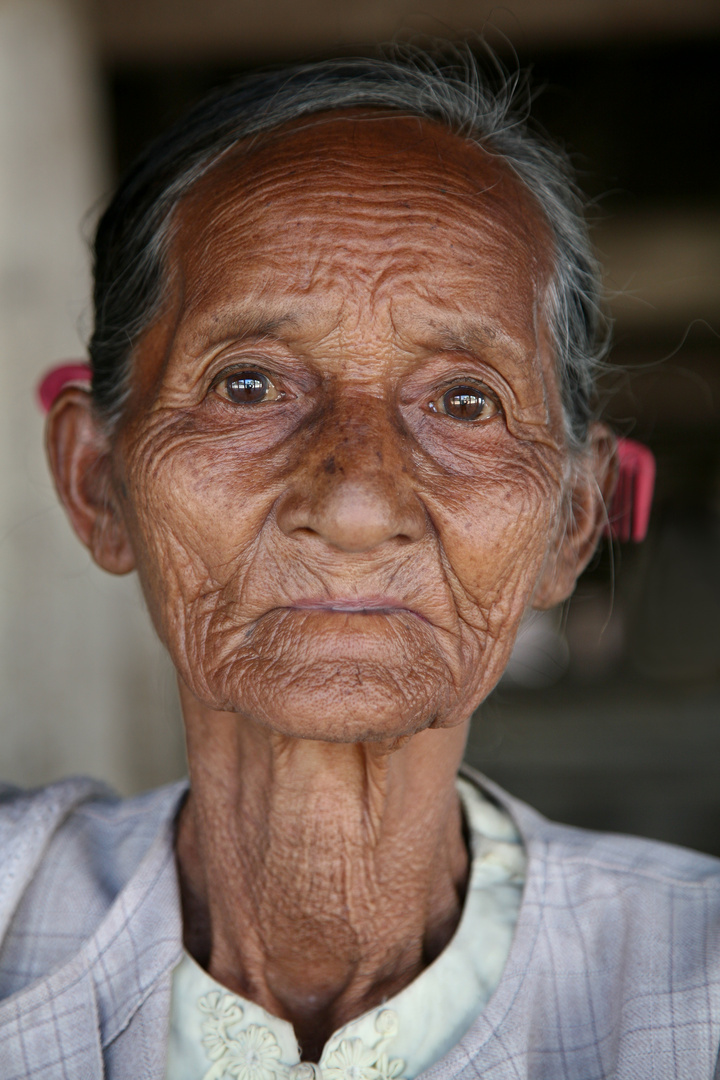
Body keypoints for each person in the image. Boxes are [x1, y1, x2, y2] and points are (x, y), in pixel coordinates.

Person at [1, 48, 719, 1080]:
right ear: (97, 483)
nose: (354, 503)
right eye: (247, 386)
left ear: (574, 519)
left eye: (465, 402)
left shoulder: (695, 989)